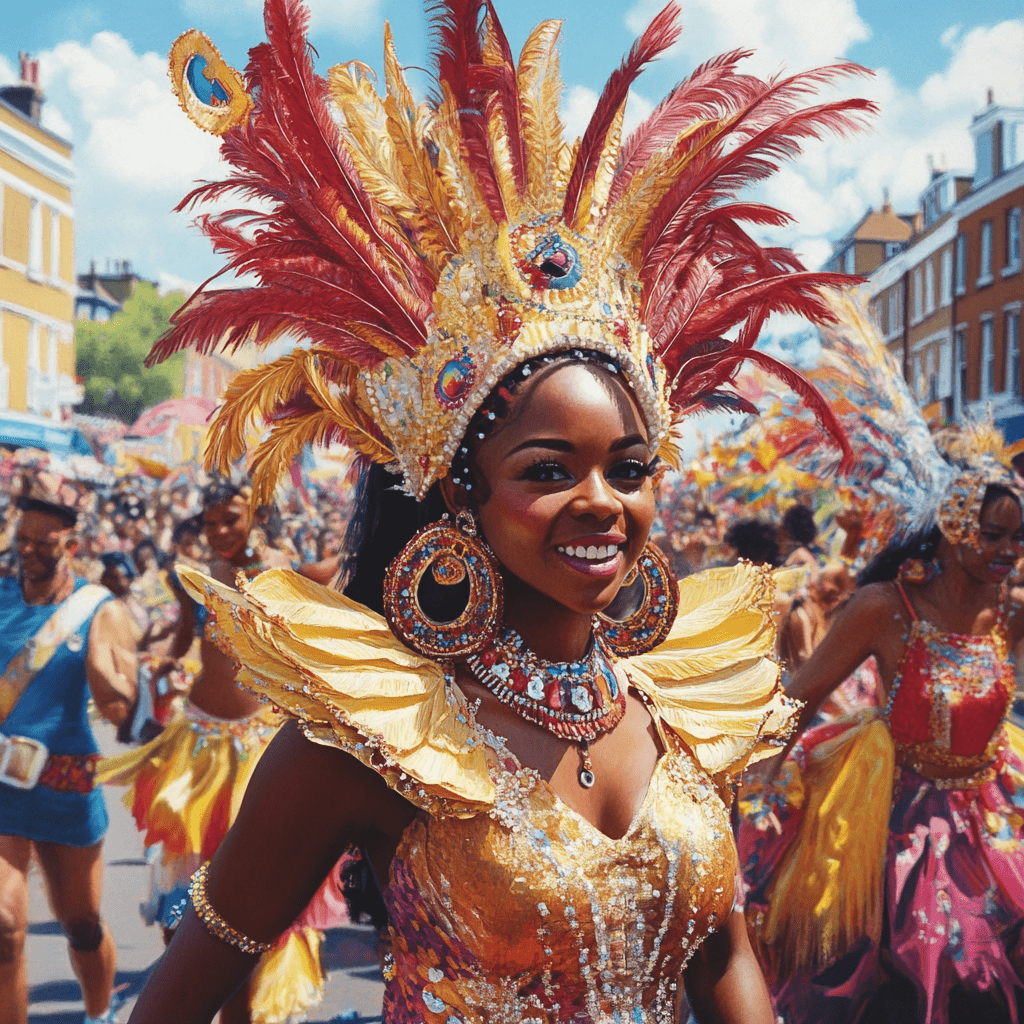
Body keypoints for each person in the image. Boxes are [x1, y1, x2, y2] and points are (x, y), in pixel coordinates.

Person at [125, 1, 872, 1019]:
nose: (600, 501)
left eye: (631, 465)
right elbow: (180, 994)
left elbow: (723, 958)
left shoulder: (686, 711)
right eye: (548, 468)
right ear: (460, 491)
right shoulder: (365, 734)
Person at [740, 468, 1024, 1023]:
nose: (1009, 552)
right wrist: (757, 784)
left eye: (1020, 538)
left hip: (994, 808)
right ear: (955, 525)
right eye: (993, 536)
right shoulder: (884, 605)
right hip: (896, 820)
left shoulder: (1011, 608)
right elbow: (798, 699)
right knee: (920, 961)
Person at [99, 478, 338, 1024]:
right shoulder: (197, 579)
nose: (219, 532)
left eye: (230, 519)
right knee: (185, 902)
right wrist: (161, 660)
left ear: (255, 513)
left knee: (247, 898)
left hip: (259, 751)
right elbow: (185, 636)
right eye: (209, 523)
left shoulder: (286, 573)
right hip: (199, 748)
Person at [0, 486, 137, 1024]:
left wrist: (108, 679)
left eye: (44, 542)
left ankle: (99, 1014)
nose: (29, 550)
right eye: (22, 539)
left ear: (71, 544)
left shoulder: (97, 609)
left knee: (81, 923)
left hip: (66, 783)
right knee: (6, 928)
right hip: (3, 783)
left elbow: (126, 714)